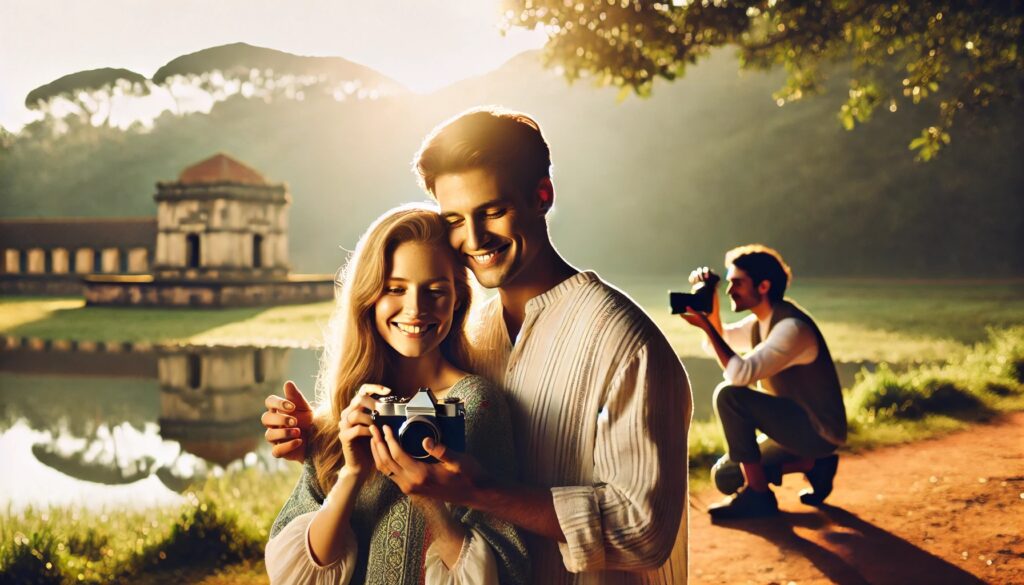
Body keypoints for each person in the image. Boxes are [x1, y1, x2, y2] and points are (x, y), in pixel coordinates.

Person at [263, 107, 692, 584]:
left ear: (541, 196)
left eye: (493, 211)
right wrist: (320, 436)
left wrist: (483, 492)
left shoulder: (626, 342)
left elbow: (645, 532)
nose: (474, 237)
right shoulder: (471, 330)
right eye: (454, 219)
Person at [263, 205, 528, 584]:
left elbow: (504, 572)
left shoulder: (475, 404)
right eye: (395, 289)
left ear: (458, 298)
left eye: (435, 291)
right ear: (369, 297)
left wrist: (431, 501)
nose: (416, 309)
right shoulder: (350, 409)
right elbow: (299, 575)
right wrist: (351, 474)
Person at [679, 245, 846, 520]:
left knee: (729, 396)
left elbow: (739, 375)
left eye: (737, 283)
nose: (731, 291)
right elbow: (723, 341)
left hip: (818, 429)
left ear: (764, 285)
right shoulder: (761, 322)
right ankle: (816, 465)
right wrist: (711, 310)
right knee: (727, 476)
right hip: (790, 426)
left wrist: (707, 327)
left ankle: (759, 496)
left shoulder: (792, 329)